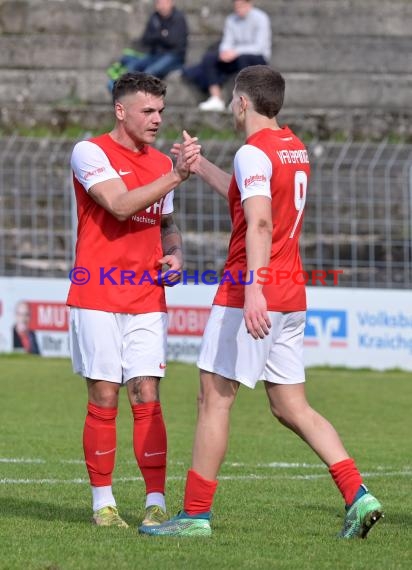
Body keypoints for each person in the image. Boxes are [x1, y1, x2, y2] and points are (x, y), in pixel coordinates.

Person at [139, 65, 384, 538]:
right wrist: (197, 165)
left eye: (233, 100)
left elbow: (260, 224)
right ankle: (358, 494)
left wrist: (253, 288)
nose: (232, 107)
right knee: (291, 406)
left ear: (243, 103)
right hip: (291, 294)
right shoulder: (293, 147)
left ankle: (194, 515)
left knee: (213, 397)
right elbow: (248, 200)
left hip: (252, 292)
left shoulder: (253, 152)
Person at [67, 72, 200, 528]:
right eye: (148, 111)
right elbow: (120, 204)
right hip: (97, 293)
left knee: (147, 393)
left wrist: (177, 253)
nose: (157, 119)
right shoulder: (90, 152)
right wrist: (177, 176)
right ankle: (102, 503)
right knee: (104, 395)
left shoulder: (162, 162)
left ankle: (155, 500)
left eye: (161, 111)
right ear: (120, 111)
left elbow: (166, 225)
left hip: (147, 296)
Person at [183, 0, 271, 112]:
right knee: (210, 58)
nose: (238, 9)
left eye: (241, 6)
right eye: (236, 6)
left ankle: (239, 100)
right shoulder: (231, 19)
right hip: (235, 56)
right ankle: (216, 98)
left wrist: (236, 51)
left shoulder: (261, 18)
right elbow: (227, 42)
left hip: (257, 57)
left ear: (249, 4)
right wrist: (224, 52)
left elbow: (259, 47)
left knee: (243, 59)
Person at [107, 0, 188, 90]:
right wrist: (162, 35)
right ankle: (119, 91)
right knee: (132, 67)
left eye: (164, 3)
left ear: (171, 3)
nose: (161, 6)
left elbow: (175, 42)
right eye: (159, 3)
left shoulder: (178, 18)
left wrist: (158, 36)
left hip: (173, 56)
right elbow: (146, 39)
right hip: (155, 54)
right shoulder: (155, 17)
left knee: (150, 72)